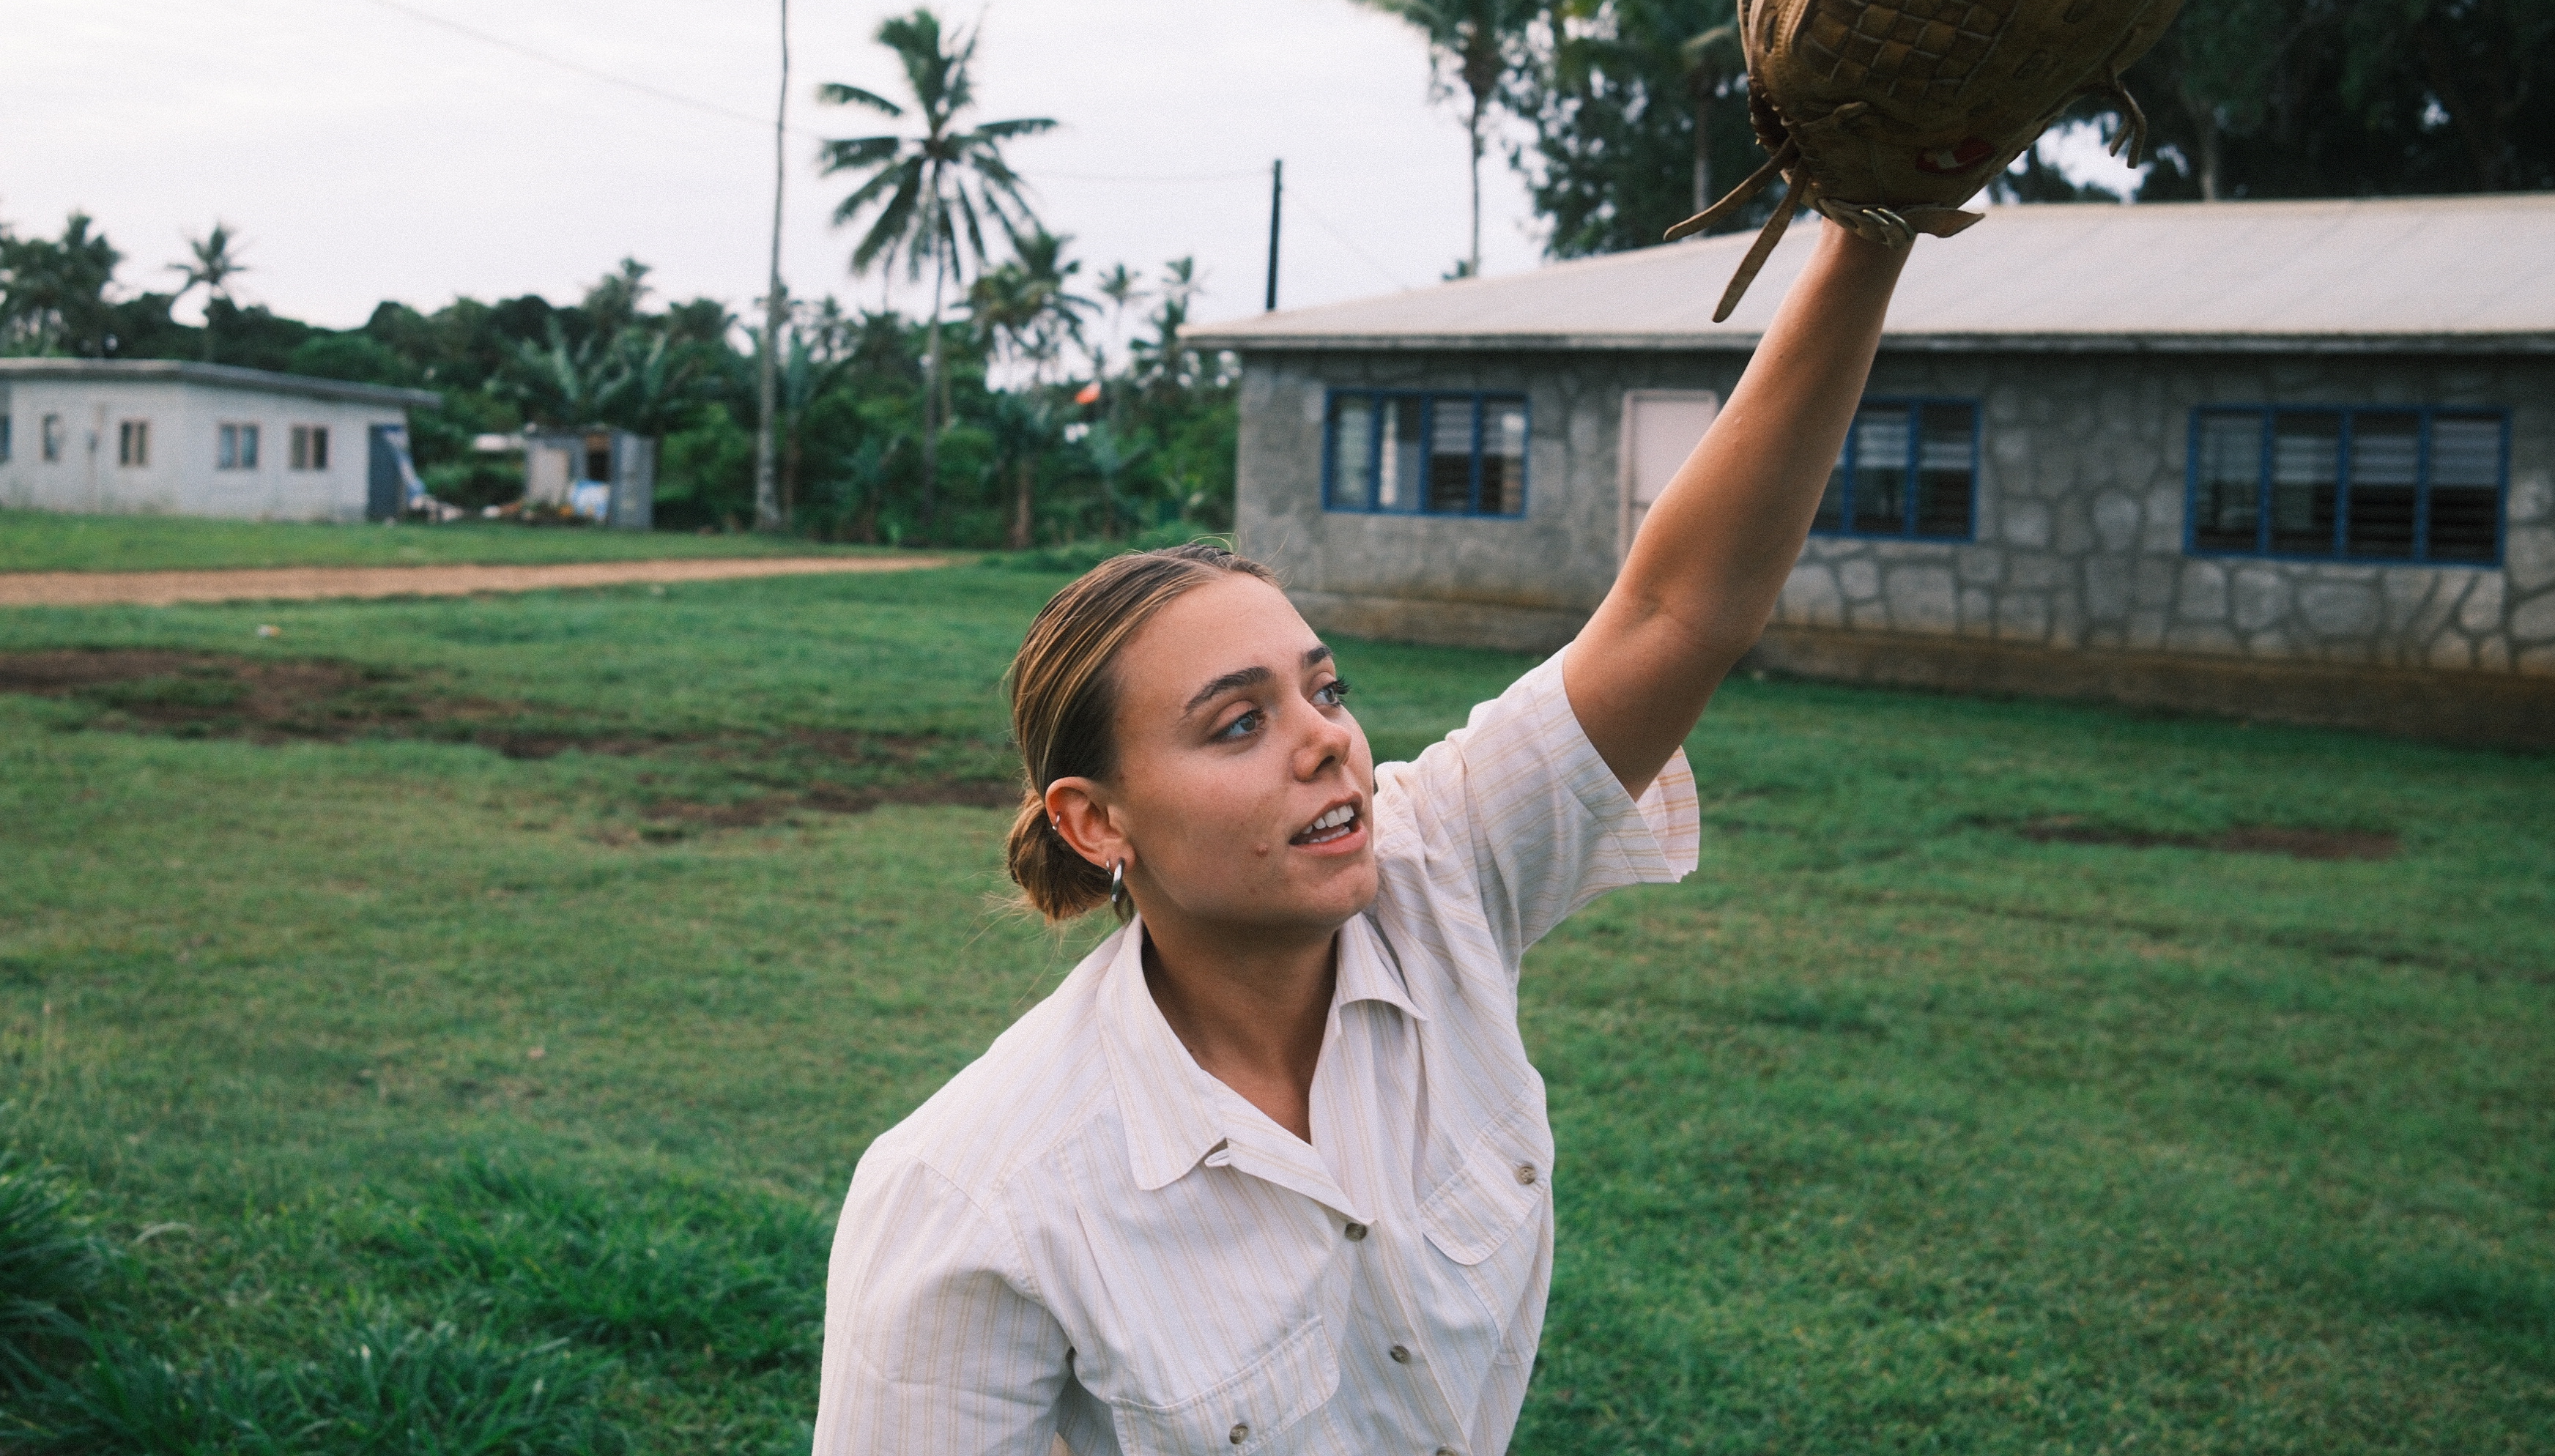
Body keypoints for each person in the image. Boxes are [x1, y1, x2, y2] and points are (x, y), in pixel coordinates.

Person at [816, 221, 1912, 1453]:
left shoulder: (1437, 872)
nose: (1327, 742)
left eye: (1324, 690)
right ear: (1096, 821)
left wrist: (1870, 235)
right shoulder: (973, 1197)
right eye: (1238, 724)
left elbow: (1676, 610)